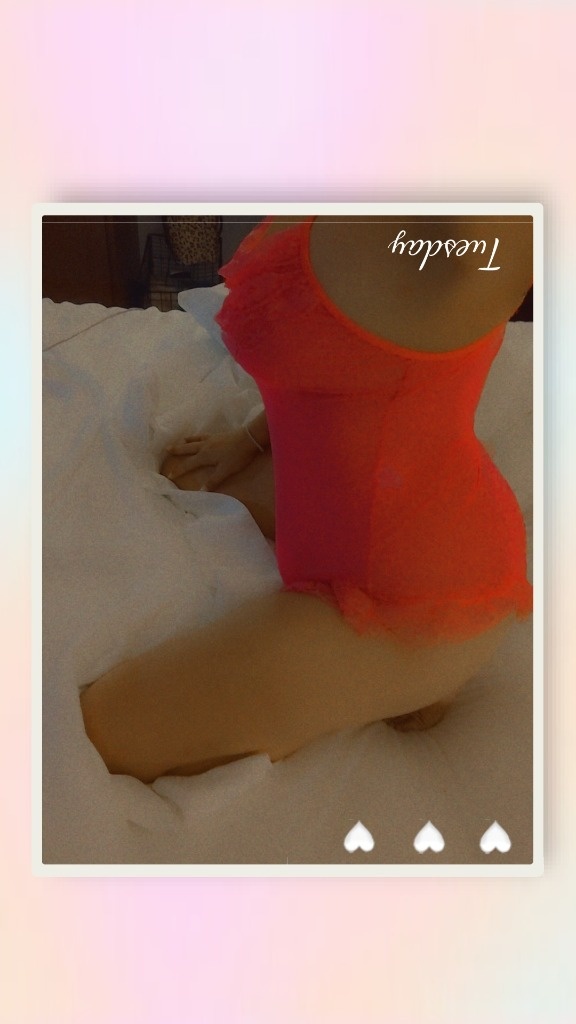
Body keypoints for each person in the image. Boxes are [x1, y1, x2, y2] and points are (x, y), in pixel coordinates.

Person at [80, 213, 533, 784]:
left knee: (103, 731)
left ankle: (418, 679)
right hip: (371, 492)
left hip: (420, 597)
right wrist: (248, 437)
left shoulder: (468, 233)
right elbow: (342, 348)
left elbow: (462, 254)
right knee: (182, 476)